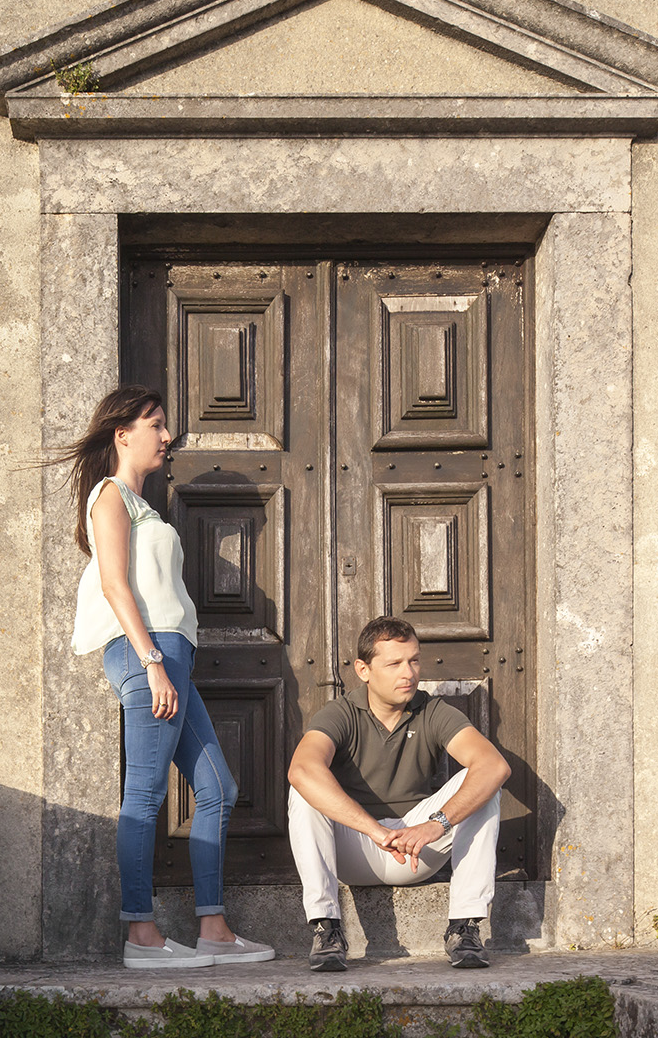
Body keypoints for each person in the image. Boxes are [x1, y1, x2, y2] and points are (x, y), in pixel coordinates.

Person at [57, 386, 274, 970]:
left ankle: (213, 928)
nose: (167, 434)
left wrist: (166, 660)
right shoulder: (110, 497)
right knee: (146, 796)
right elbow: (114, 586)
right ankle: (141, 934)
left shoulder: (143, 506)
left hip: (170, 656)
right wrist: (152, 662)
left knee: (218, 790)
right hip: (145, 655)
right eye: (155, 424)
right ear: (122, 434)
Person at [287, 616, 511, 971]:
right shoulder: (342, 713)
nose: (408, 673)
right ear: (363, 669)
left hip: (417, 848)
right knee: (304, 789)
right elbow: (301, 769)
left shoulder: (433, 711)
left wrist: (435, 824)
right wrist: (375, 831)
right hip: (357, 847)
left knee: (484, 780)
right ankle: (326, 928)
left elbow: (494, 766)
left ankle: (464, 928)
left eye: (414, 660)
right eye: (393, 663)